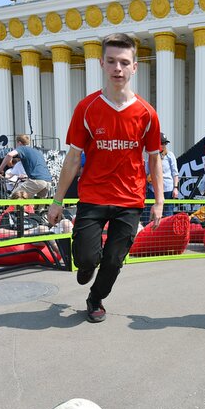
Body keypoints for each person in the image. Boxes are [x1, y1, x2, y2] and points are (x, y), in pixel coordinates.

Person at [47, 32, 163, 323]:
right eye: (111, 61)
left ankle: (95, 297)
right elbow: (73, 158)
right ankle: (86, 265)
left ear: (135, 67)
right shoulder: (86, 108)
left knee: (114, 260)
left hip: (130, 200)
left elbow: (154, 158)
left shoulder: (147, 113)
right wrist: (56, 200)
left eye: (124, 62)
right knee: (85, 258)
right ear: (101, 63)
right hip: (93, 197)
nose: (117, 69)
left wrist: (159, 200)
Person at [0, 134, 52, 199]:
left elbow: (9, 155)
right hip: (48, 181)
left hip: (37, 181)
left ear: (19, 142)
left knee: (15, 197)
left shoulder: (22, 148)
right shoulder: (36, 151)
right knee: (37, 206)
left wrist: (0, 169)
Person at [144, 133, 179, 222]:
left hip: (168, 189)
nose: (163, 145)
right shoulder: (151, 156)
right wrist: (148, 178)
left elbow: (175, 173)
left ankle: (166, 234)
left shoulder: (170, 155)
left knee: (167, 215)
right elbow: (146, 172)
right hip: (153, 189)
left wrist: (175, 188)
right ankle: (150, 233)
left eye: (165, 143)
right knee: (150, 214)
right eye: (162, 143)